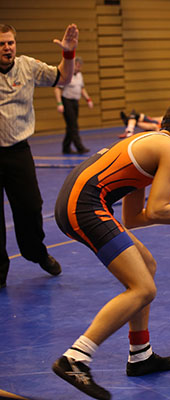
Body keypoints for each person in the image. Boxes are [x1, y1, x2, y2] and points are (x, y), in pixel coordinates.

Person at [52, 99, 170, 400]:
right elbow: (156, 212)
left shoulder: (151, 144)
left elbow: (135, 218)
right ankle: (75, 358)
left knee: (147, 265)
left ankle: (140, 355)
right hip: (84, 206)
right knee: (143, 288)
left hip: (76, 202)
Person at [0, 23, 78, 289]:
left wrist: (68, 54)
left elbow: (63, 78)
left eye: (10, 42)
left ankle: (37, 253)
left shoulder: (28, 66)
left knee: (31, 207)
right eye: (1, 43)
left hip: (18, 151)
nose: (7, 47)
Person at [54, 56, 92, 154]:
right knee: (73, 126)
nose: (78, 68)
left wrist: (88, 99)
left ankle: (66, 148)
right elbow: (57, 89)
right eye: (76, 65)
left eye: (80, 66)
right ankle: (80, 147)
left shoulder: (80, 75)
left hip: (75, 102)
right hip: (67, 101)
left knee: (70, 126)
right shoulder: (66, 74)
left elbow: (82, 88)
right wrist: (59, 103)